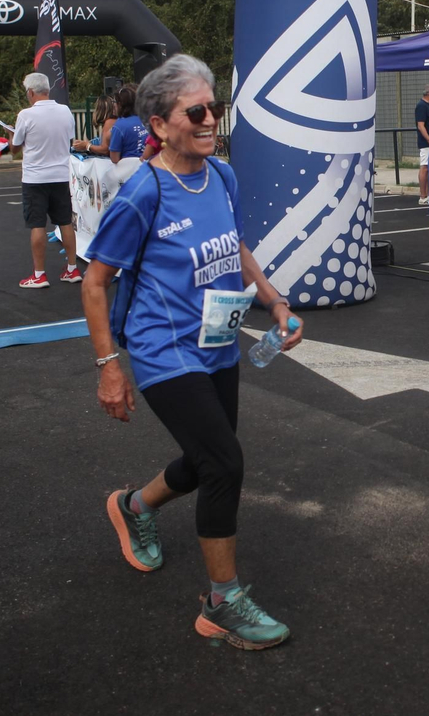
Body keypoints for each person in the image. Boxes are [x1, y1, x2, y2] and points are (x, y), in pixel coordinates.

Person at [82, 54, 301, 650]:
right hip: (163, 350)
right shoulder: (142, 193)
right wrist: (110, 369)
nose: (211, 120)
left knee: (207, 458)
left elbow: (237, 245)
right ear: (158, 125)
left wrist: (274, 301)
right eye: (197, 111)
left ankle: (132, 506)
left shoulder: (221, 176)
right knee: (225, 464)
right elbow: (94, 282)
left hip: (218, 346)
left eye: (215, 108)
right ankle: (222, 603)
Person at [11, 72, 80, 288]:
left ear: (30, 92)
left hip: (35, 177)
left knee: (37, 224)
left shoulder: (26, 115)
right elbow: (70, 138)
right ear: (47, 90)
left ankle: (39, 274)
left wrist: (12, 138)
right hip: (60, 174)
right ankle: (72, 268)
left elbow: (15, 148)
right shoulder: (65, 111)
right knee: (65, 222)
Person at [106, 85, 151, 170]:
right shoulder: (146, 120)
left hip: (128, 172)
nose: (113, 105)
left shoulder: (119, 126)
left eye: (114, 102)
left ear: (120, 104)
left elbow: (114, 159)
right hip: (148, 169)